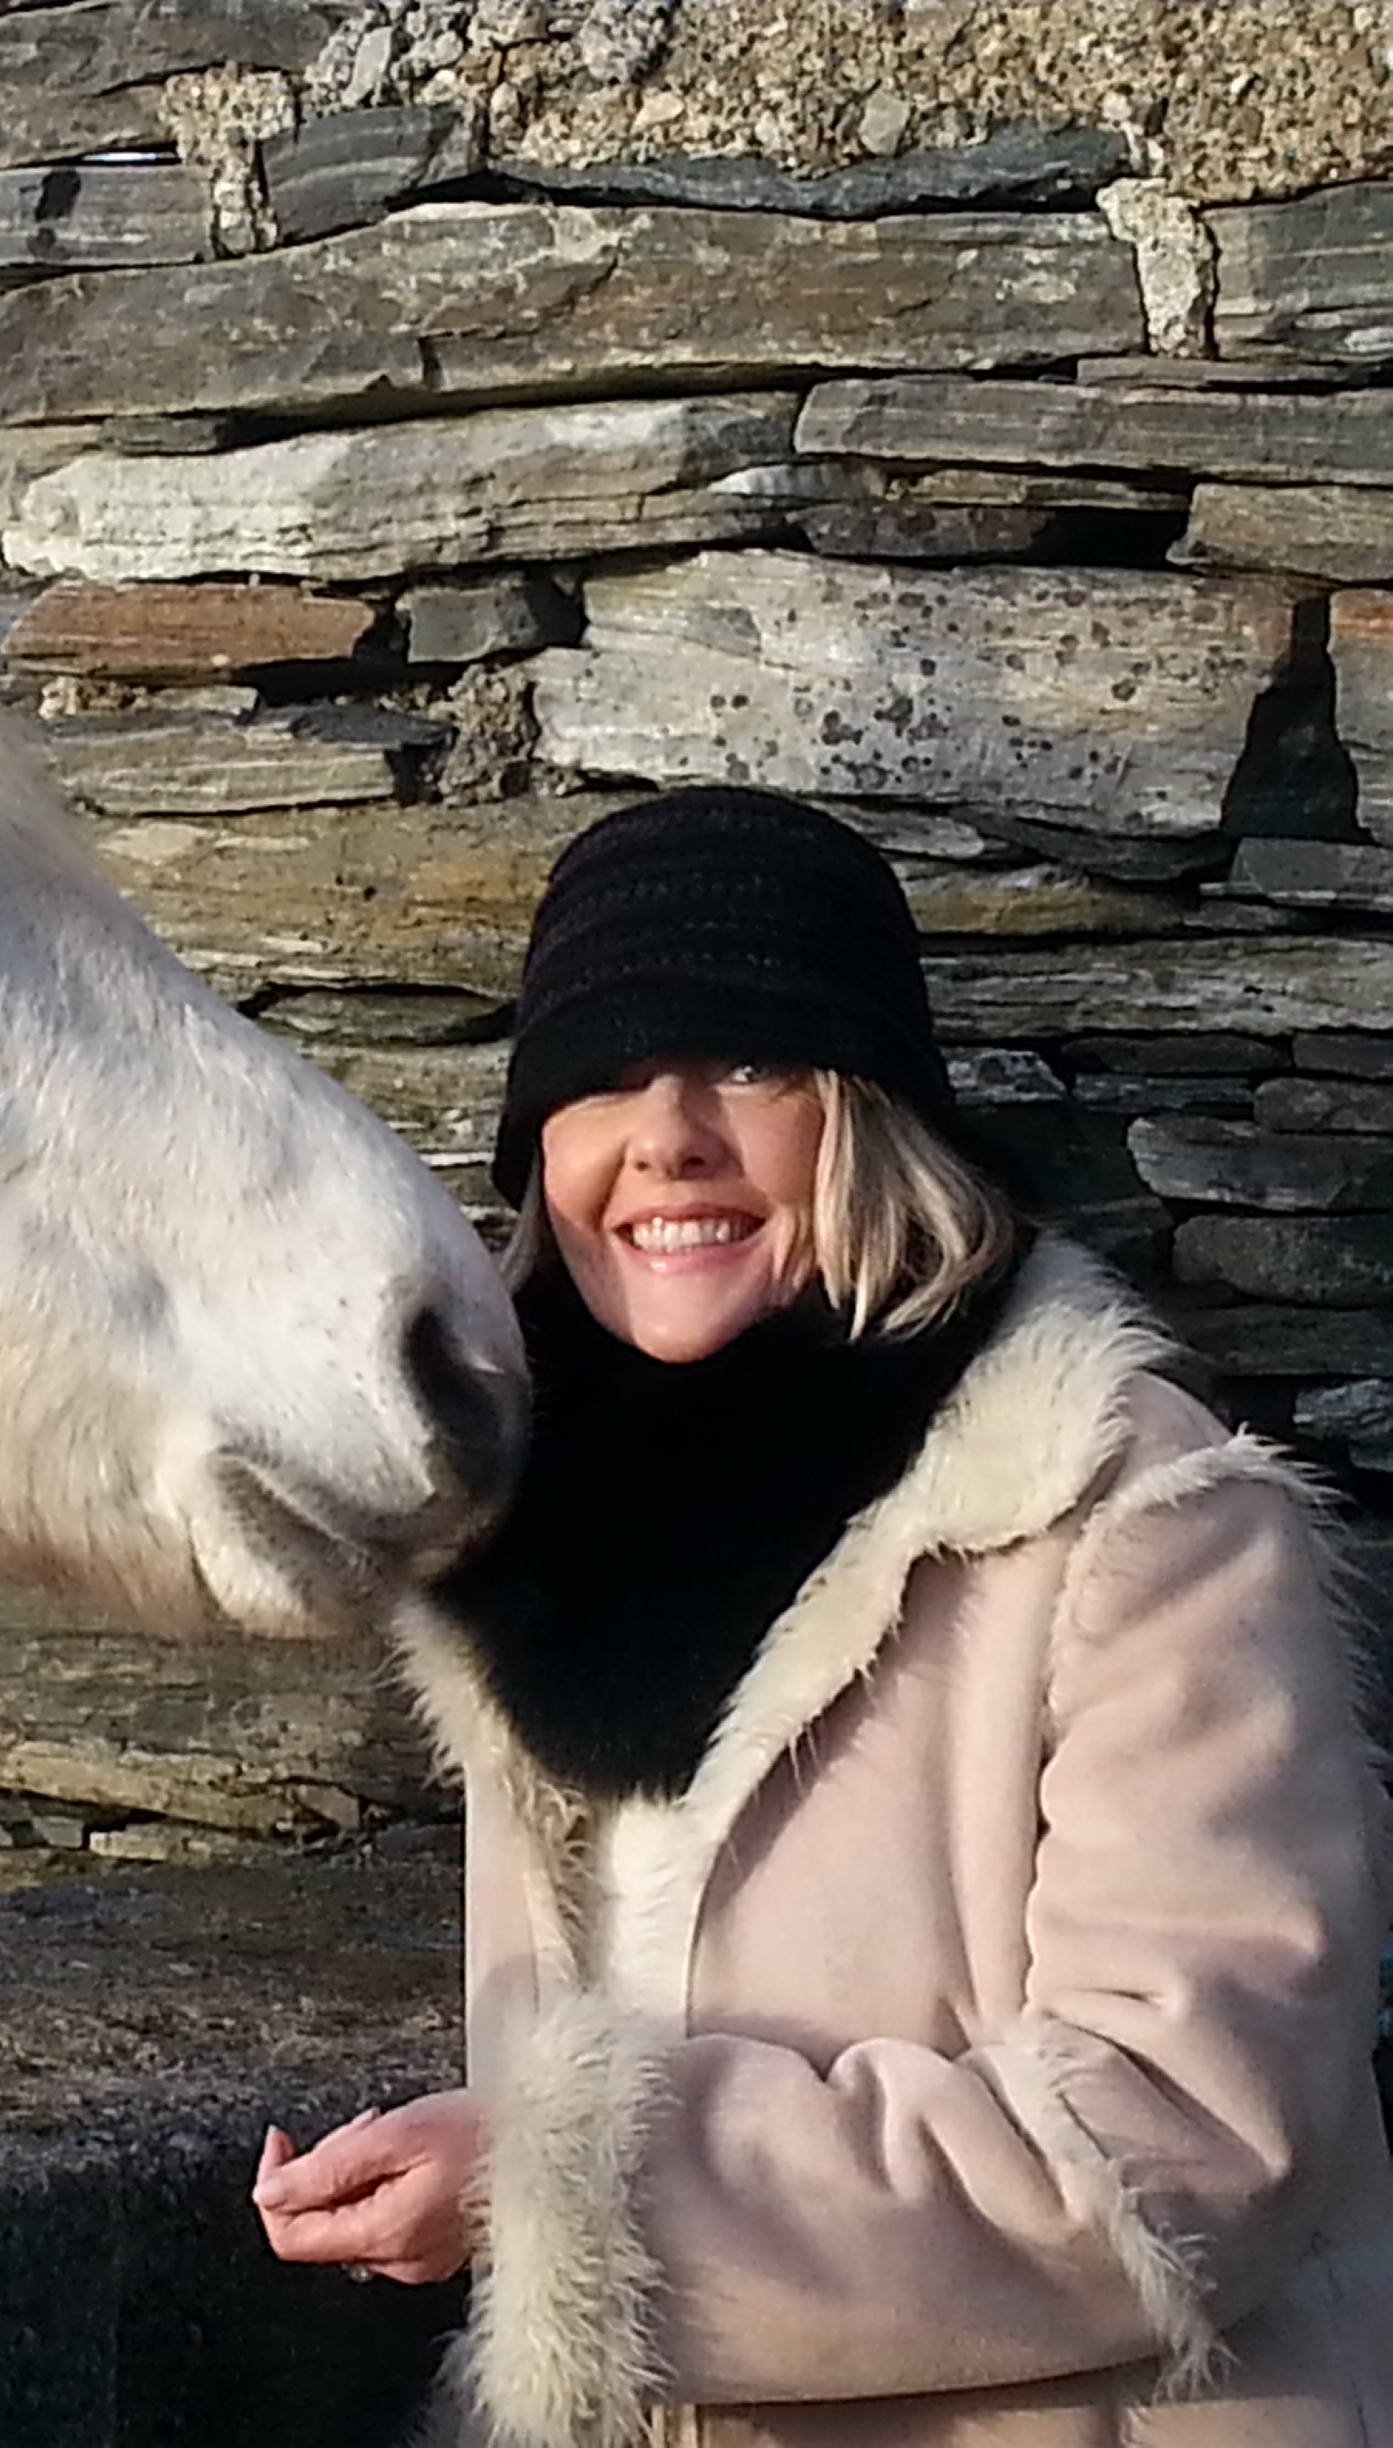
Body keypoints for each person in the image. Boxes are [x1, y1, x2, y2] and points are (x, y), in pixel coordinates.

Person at [252, 787, 1393, 2447]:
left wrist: (559, 2188)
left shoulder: (1131, 1516)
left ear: (871, 1112)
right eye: (600, 1078)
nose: (668, 1137)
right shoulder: (529, 1530)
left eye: (753, 1066)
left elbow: (1183, 2144)